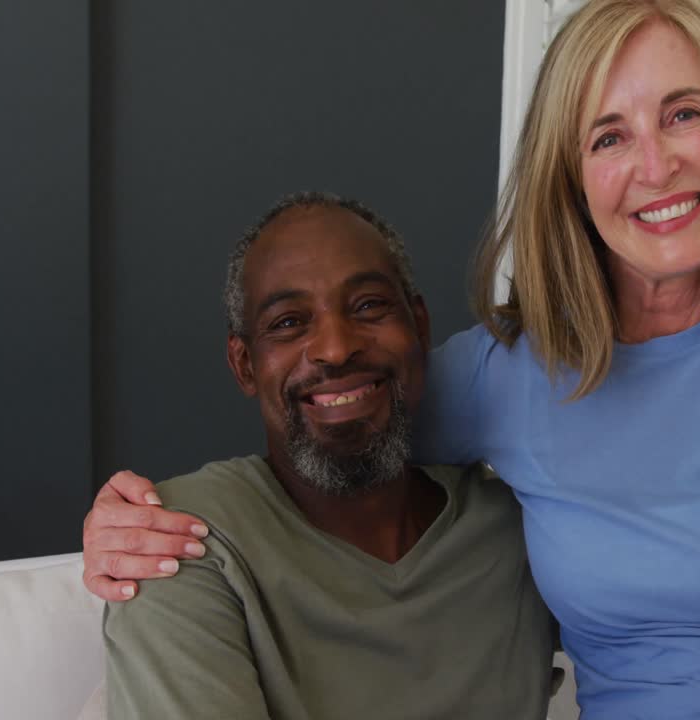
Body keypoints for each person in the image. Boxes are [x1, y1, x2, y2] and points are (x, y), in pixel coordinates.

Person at [82, 1, 700, 718]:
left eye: (684, 113)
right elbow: (333, 415)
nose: (656, 164)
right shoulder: (512, 374)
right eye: (608, 136)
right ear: (569, 178)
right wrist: (130, 514)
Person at [99, 193, 555, 719]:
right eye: (289, 322)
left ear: (419, 326)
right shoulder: (179, 541)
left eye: (367, 306)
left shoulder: (516, 527)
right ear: (245, 365)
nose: (335, 348)